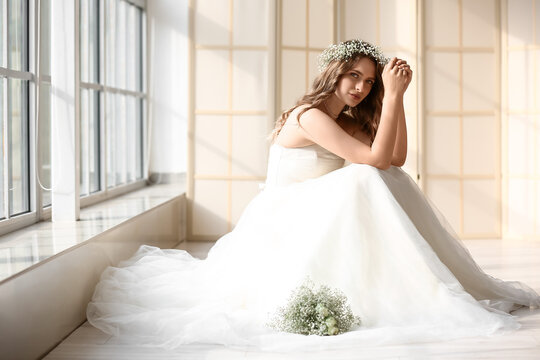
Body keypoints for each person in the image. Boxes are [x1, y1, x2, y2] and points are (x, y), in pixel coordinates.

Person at [87, 39, 540, 351]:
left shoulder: (346, 119)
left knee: (380, 178)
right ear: (334, 73)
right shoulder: (309, 117)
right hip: (284, 220)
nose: (360, 87)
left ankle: (426, 275)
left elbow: (395, 159)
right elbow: (376, 162)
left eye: (369, 82)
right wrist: (394, 97)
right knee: (364, 178)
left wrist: (398, 99)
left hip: (317, 213)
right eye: (353, 77)